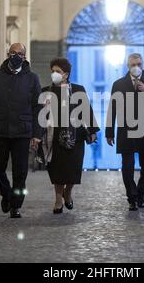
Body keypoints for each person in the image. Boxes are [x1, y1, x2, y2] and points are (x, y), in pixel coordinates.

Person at [0, 43, 42, 219]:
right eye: (12, 53)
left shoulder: (32, 78)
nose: (15, 56)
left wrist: (37, 134)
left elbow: (38, 108)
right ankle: (6, 192)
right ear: (8, 54)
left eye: (19, 54)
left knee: (20, 172)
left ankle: (16, 205)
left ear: (24, 56)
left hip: (22, 132)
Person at [106, 53, 144, 211]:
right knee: (127, 167)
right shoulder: (118, 84)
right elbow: (112, 108)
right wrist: (109, 131)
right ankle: (131, 197)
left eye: (139, 64)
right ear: (128, 66)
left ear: (142, 64)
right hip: (126, 131)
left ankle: (141, 192)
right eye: (133, 65)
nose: (136, 67)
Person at [40, 58, 99, 214]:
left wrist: (93, 131)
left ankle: (69, 192)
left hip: (75, 136)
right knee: (57, 170)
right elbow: (40, 116)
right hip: (54, 136)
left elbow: (87, 110)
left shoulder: (78, 90)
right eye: (52, 71)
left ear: (65, 74)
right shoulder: (46, 91)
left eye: (57, 71)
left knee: (73, 169)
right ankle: (58, 198)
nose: (54, 74)